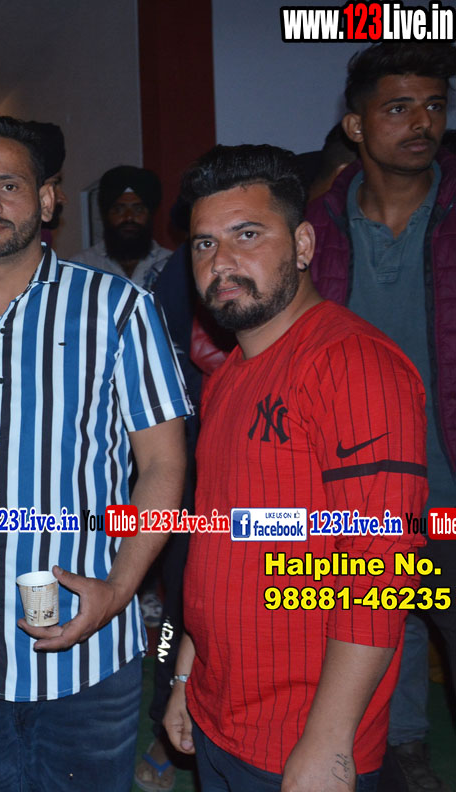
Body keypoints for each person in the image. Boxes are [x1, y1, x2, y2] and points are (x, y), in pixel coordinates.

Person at [0, 115, 191, 792]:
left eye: (8, 185)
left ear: (47, 199)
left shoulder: (118, 309)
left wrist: (119, 591)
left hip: (88, 658)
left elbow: (164, 465)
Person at [165, 144, 427, 792]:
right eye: (203, 244)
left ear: (303, 244)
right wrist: (185, 677)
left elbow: (379, 570)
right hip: (219, 714)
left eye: (247, 234)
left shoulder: (353, 364)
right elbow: (215, 543)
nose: (220, 262)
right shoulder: (227, 377)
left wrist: (329, 744)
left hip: (302, 739)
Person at [307, 41, 456, 792]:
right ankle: (405, 755)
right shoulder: (313, 228)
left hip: (452, 495)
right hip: (358, 503)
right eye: (398, 107)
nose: (421, 122)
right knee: (374, 643)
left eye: (434, 105)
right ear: (357, 126)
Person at [72, 165, 172, 289]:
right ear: (106, 214)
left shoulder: (170, 264)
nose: (129, 217)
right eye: (119, 209)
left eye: (138, 209)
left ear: (150, 214)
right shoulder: (81, 266)